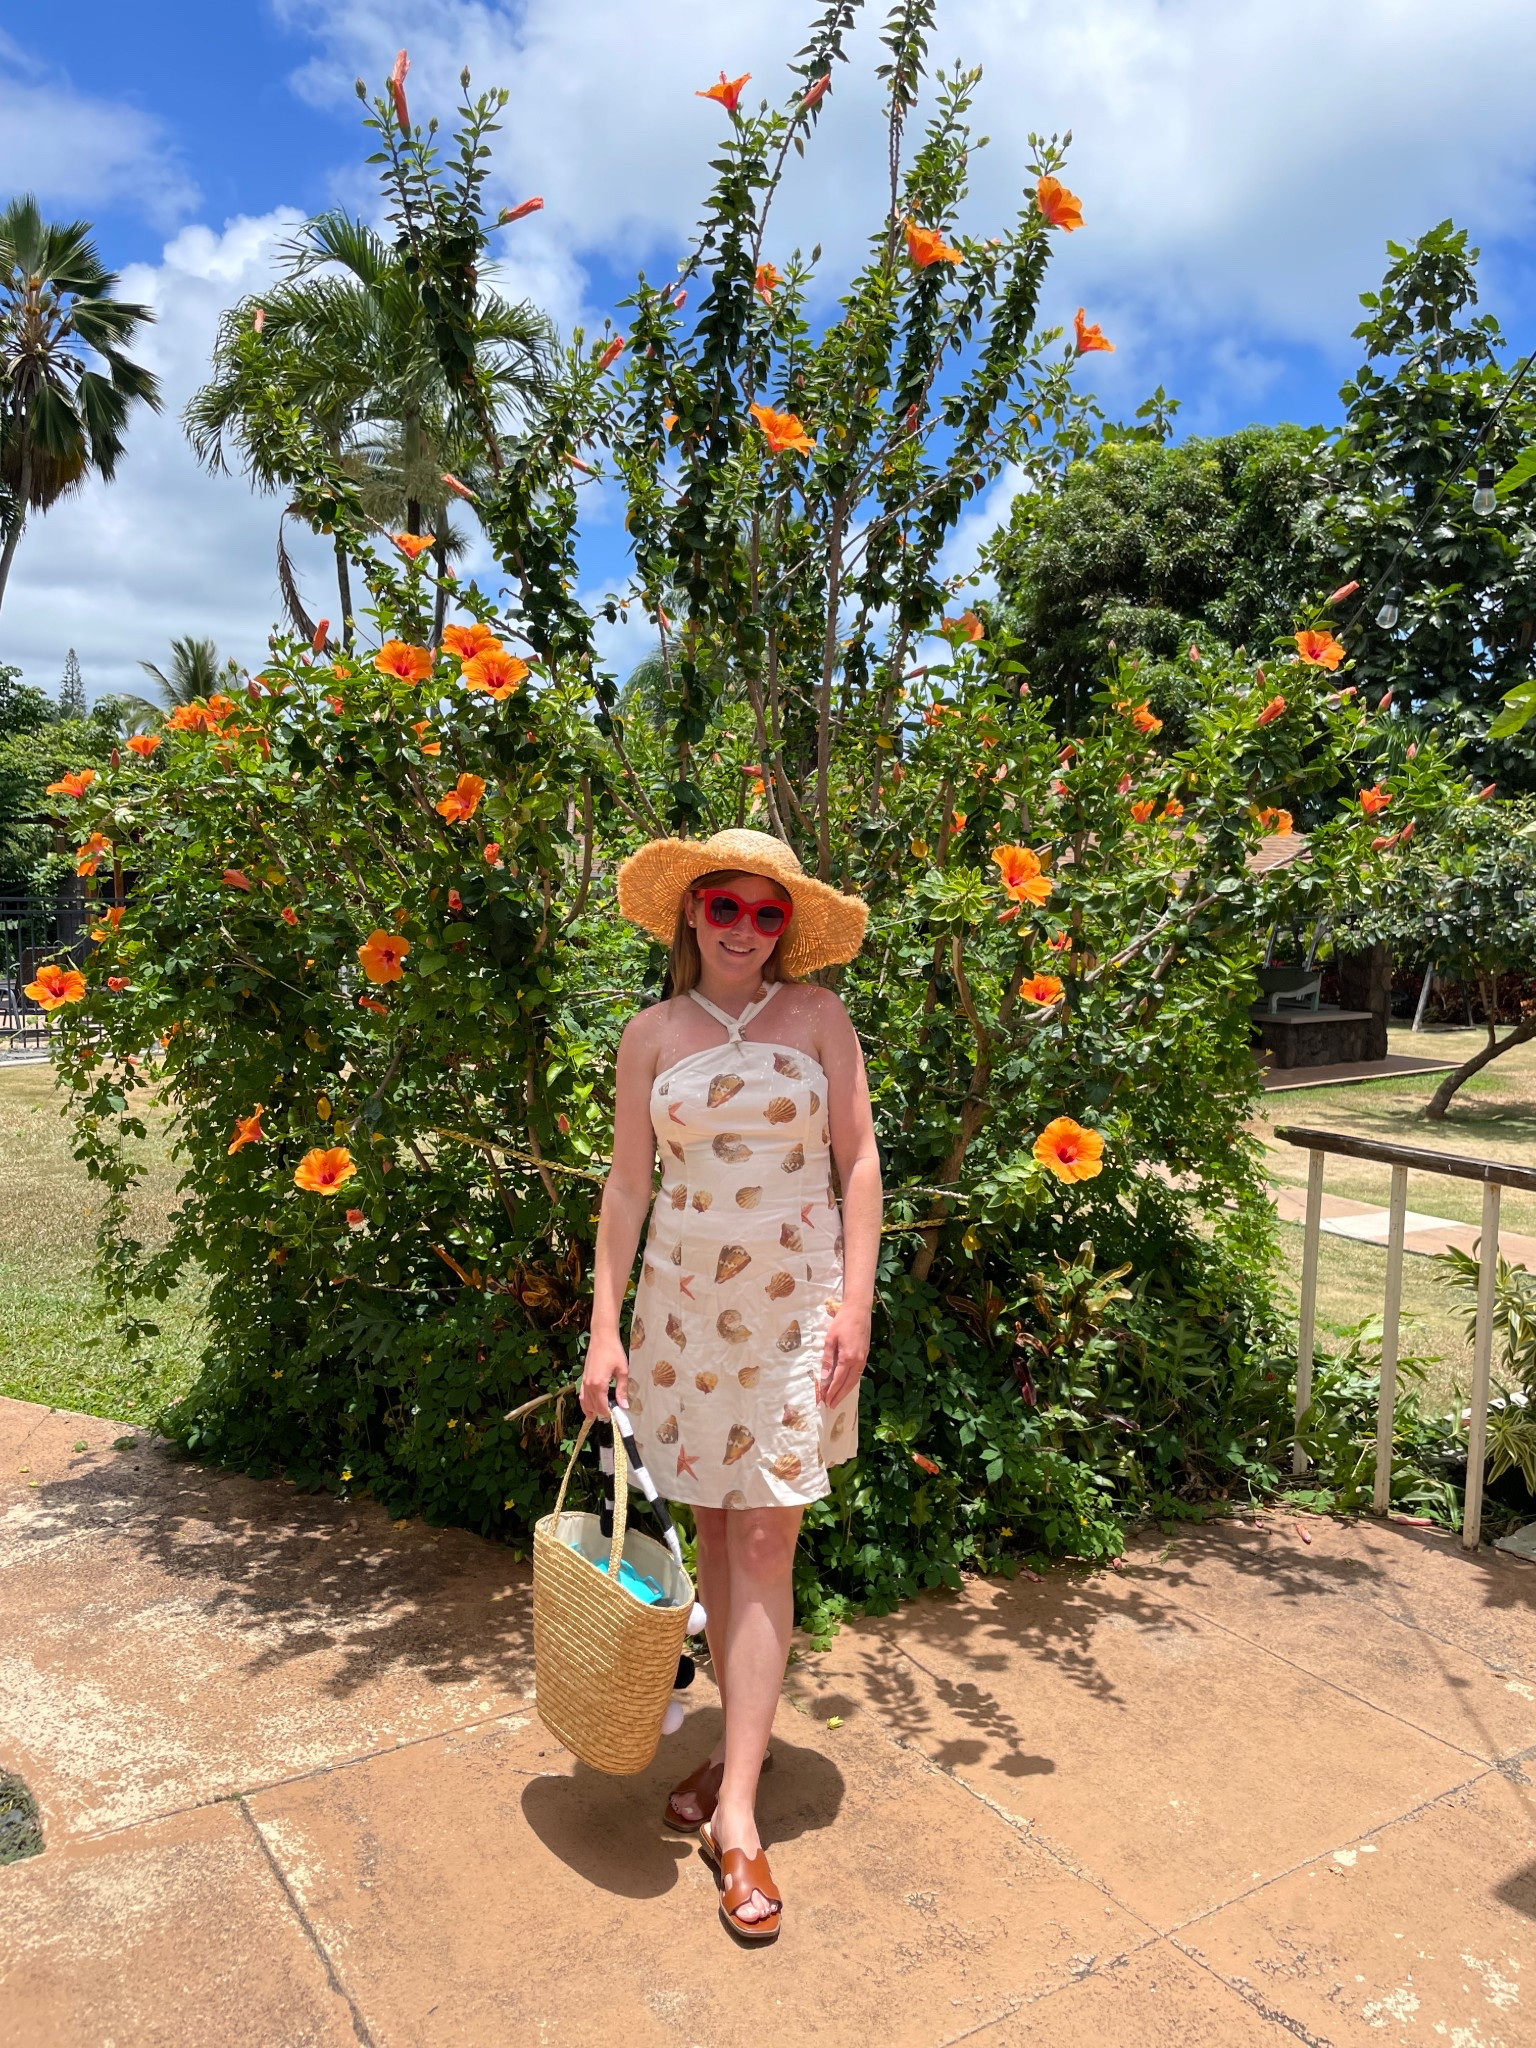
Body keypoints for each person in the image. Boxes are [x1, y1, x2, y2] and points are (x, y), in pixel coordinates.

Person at [581, 827, 881, 1943]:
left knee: (766, 1543)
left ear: (787, 926)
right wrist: (602, 1331)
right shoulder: (650, 1035)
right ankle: (731, 1743)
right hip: (677, 1321)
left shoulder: (821, 1021)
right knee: (713, 1534)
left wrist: (856, 1303)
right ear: (690, 913)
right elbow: (624, 1188)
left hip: (798, 1319)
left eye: (767, 913)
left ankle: (738, 1813)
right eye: (726, 907)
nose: (745, 929)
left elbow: (857, 1158)